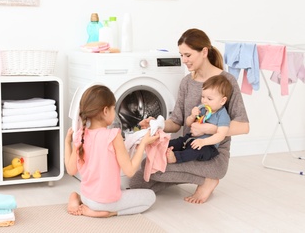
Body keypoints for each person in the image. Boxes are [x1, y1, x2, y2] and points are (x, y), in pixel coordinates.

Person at [130, 28, 249, 204]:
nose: (184, 60)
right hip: (187, 148)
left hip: (211, 154)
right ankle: (188, 174)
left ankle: (208, 179)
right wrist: (157, 124)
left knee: (154, 170)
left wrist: (210, 128)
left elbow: (244, 126)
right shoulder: (187, 82)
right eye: (181, 55)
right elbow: (176, 122)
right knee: (138, 179)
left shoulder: (226, 81)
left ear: (204, 52)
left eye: (188, 55)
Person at [64, 85, 159, 217]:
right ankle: (109, 213)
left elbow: (70, 170)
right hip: (105, 203)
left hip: (87, 196)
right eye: (114, 109)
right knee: (150, 197)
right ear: (105, 111)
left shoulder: (81, 134)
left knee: (113, 190)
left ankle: (78, 198)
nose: (115, 113)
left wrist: (67, 143)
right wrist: (143, 143)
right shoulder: (113, 135)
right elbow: (130, 171)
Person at [166, 75, 232, 164]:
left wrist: (203, 142)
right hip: (190, 138)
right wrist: (192, 116)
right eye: (203, 97)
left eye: (209, 99)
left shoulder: (222, 115)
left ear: (222, 101)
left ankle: (176, 157)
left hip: (207, 146)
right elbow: (188, 124)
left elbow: (220, 135)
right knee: (176, 142)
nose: (204, 101)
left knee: (196, 152)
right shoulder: (202, 109)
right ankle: (161, 147)